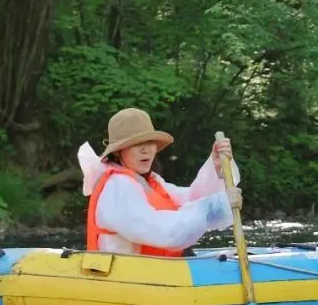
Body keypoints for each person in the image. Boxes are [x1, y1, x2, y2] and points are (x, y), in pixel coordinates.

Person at [78, 107, 241, 255]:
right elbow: (165, 233)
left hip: (156, 274)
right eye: (135, 144)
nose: (145, 149)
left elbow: (189, 200)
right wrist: (215, 206)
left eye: (149, 142)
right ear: (118, 152)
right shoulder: (117, 186)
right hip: (129, 279)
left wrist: (216, 167)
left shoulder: (150, 181)